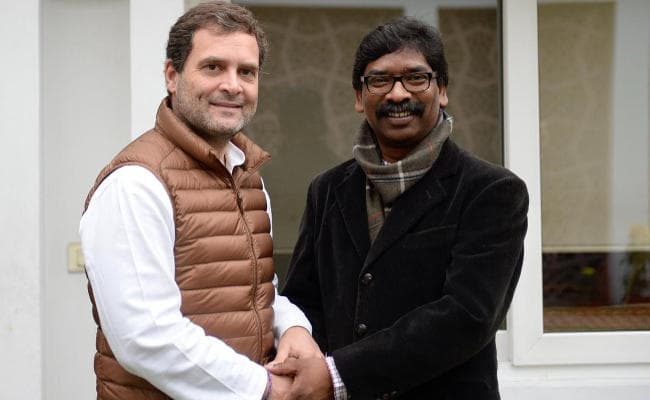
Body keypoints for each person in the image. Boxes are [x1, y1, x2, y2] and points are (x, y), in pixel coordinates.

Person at [269, 16, 529, 400]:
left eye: (415, 78)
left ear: (442, 90)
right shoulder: (327, 190)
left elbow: (467, 316)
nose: (397, 94)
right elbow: (305, 302)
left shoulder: (491, 191)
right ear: (359, 97)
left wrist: (338, 374)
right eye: (379, 80)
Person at [79, 2, 321, 399]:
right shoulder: (134, 184)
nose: (233, 85)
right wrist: (263, 388)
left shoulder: (248, 176)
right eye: (213, 67)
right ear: (172, 76)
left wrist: (294, 328)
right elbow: (147, 337)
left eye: (247, 72)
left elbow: (259, 292)